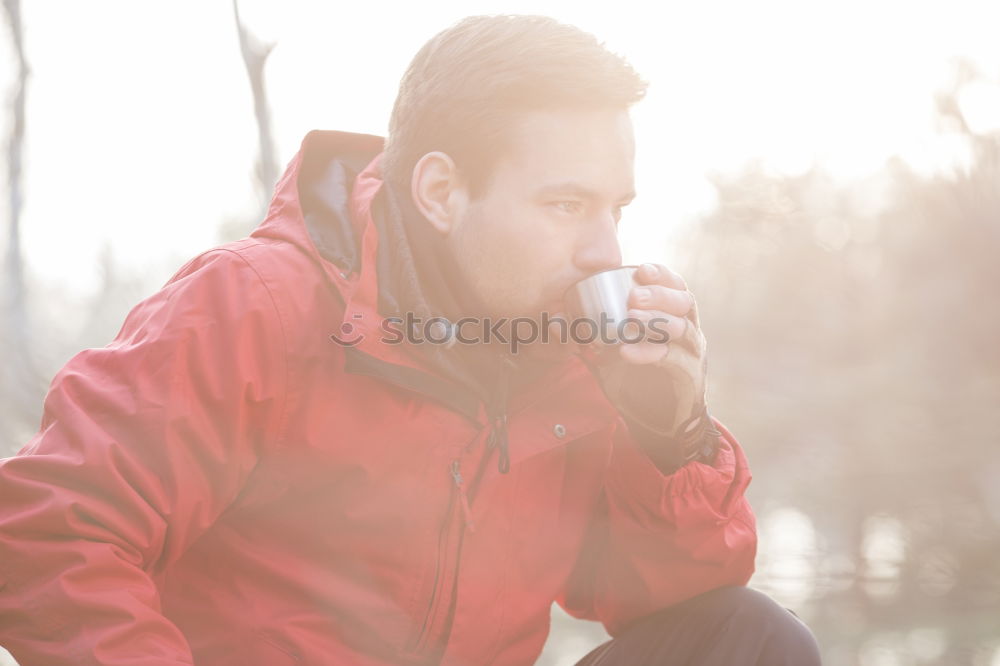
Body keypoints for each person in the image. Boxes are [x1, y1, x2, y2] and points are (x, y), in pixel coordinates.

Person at [0, 14, 821, 666]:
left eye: (618, 208)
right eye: (566, 205)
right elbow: (50, 533)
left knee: (751, 641)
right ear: (439, 190)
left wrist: (670, 433)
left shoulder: (574, 351)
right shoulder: (255, 305)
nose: (605, 250)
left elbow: (667, 601)